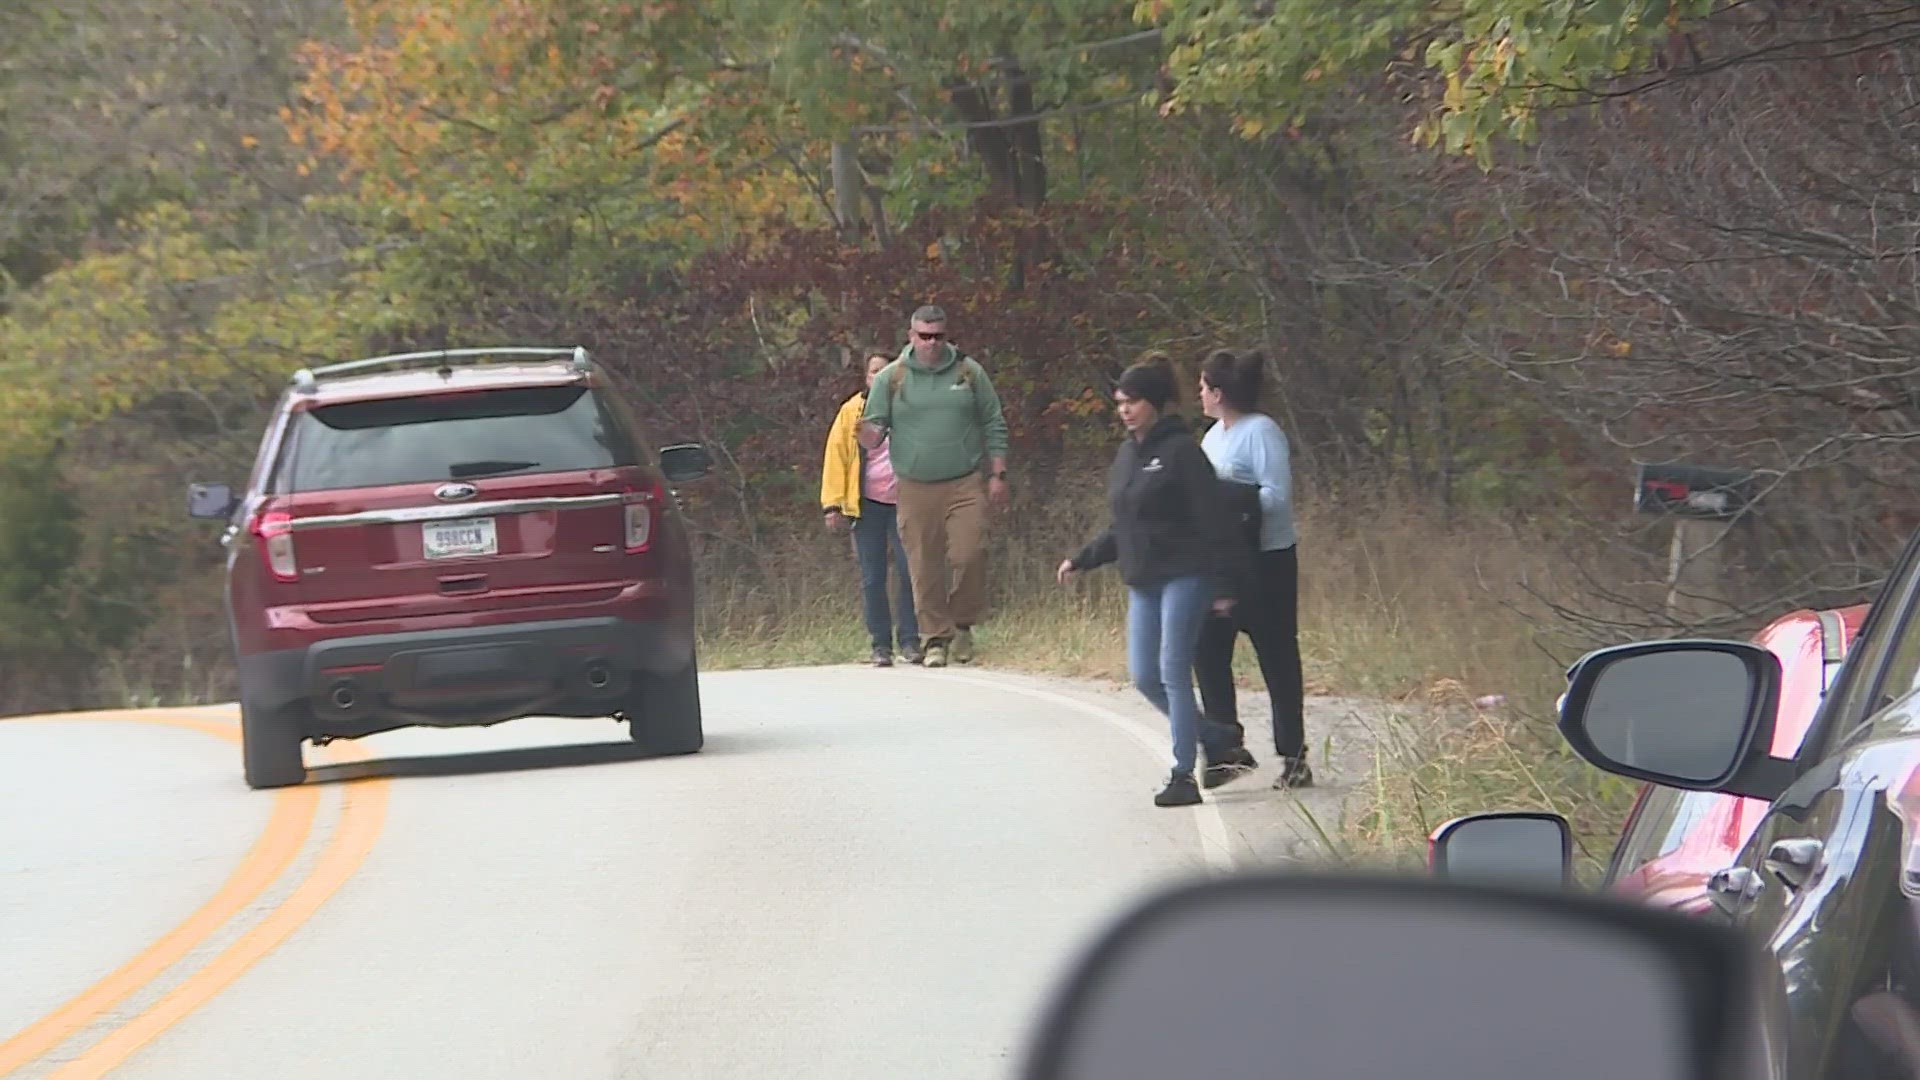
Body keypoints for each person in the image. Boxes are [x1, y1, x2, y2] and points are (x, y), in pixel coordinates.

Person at [1057, 359, 1249, 808]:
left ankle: (1184, 774)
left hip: (1187, 572)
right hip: (1144, 578)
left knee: (1172, 671)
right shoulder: (1128, 455)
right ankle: (1217, 736)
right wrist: (1083, 559)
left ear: (1156, 403)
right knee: (1144, 676)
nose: (1125, 410)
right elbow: (1123, 525)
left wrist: (1224, 583)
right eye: (1120, 403)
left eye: (1134, 402)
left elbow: (1215, 520)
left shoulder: (1182, 451)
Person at [860, 304, 1010, 669]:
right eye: (924, 336)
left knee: (969, 554)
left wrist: (998, 473)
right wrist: (867, 435)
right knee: (923, 566)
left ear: (947, 336)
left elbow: (993, 421)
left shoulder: (968, 372)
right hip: (913, 485)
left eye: (938, 336)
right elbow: (874, 428)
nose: (931, 343)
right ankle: (935, 639)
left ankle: (962, 624)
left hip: (963, 481)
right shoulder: (892, 377)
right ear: (911, 337)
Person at [1193, 348, 1311, 789]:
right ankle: (1226, 749)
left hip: (1268, 561)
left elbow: (1276, 496)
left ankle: (1294, 756)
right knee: (1206, 649)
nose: (1199, 394)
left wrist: (1229, 503)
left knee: (1277, 657)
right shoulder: (1212, 439)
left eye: (1203, 387)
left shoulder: (1261, 433)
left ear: (1219, 392)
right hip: (1225, 564)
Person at [821, 352, 923, 667]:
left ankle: (910, 641)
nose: (879, 377)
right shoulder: (851, 412)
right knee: (872, 577)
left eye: (885, 371)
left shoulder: (910, 408)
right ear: (866, 377)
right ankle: (881, 645)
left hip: (906, 503)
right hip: (866, 506)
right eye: (873, 372)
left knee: (911, 573)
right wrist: (833, 504)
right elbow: (836, 457)